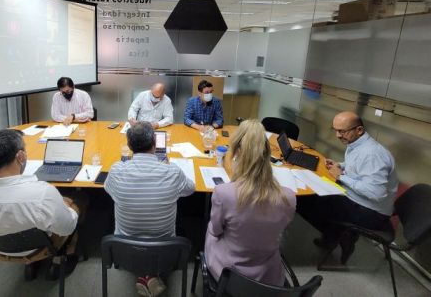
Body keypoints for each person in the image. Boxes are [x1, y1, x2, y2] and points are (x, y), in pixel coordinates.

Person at [0, 129, 82, 278]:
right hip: (41, 248)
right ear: (20, 156)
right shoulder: (42, 194)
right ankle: (69, 254)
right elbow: (66, 228)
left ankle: (31, 265)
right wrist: (68, 207)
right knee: (78, 200)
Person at [104, 121, 195, 297]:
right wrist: (168, 170)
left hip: (124, 250)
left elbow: (108, 190)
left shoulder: (116, 171)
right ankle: (150, 273)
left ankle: (143, 273)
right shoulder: (172, 172)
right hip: (165, 251)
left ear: (129, 146)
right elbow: (190, 189)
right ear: (155, 143)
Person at [296, 111, 398, 264]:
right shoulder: (358, 144)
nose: (337, 135)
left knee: (302, 200)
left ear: (359, 130)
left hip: (372, 214)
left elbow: (376, 193)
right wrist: (340, 166)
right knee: (315, 194)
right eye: (335, 130)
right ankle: (333, 234)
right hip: (360, 201)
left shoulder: (372, 154)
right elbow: (358, 168)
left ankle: (342, 235)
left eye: (342, 131)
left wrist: (340, 176)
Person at [204, 119, 295, 286]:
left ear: (236, 153)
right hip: (269, 276)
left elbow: (216, 231)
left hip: (229, 274)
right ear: (268, 153)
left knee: (210, 231)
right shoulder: (288, 197)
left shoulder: (224, 193)